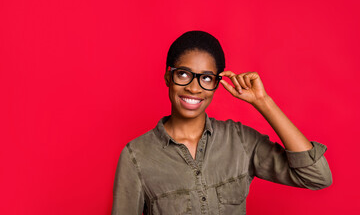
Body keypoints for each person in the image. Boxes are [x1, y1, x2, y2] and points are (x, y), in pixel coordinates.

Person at [111, 30, 332, 215]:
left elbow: (317, 177)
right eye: (184, 74)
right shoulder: (136, 155)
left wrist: (263, 102)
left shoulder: (240, 141)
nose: (194, 88)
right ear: (169, 76)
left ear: (217, 84)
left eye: (206, 78)